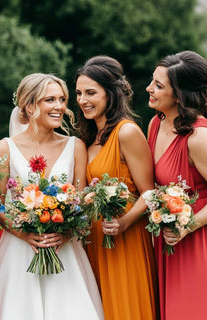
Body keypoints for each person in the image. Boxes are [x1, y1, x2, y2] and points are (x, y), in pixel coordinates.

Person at [0, 73, 104, 320]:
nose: (59, 106)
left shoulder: (75, 146)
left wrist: (66, 233)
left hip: (65, 249)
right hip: (19, 251)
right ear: (29, 106)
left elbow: (81, 202)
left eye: (62, 99)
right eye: (49, 99)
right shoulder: (4, 148)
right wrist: (25, 234)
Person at [75, 55, 159, 320]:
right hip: (95, 242)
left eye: (91, 92)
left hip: (126, 239)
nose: (82, 100)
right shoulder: (86, 139)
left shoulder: (127, 132)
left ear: (110, 94)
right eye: (78, 93)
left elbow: (150, 191)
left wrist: (124, 222)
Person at [147, 50, 207, 320]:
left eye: (159, 86)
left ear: (179, 95)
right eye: (152, 81)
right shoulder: (154, 124)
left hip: (197, 240)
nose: (149, 88)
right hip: (166, 240)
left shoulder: (198, 137)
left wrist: (188, 225)